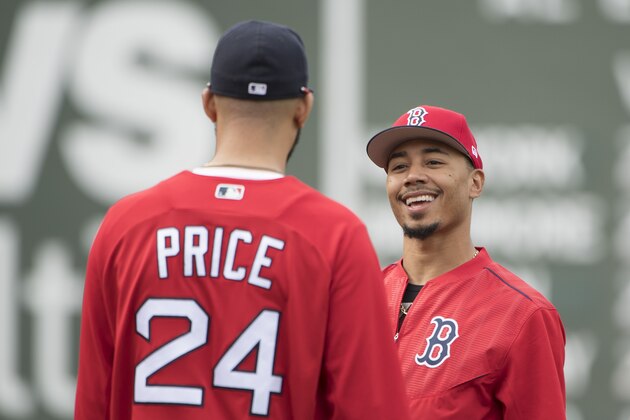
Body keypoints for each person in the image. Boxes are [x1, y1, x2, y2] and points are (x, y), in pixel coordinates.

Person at [75, 20, 409, 420]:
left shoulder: (126, 225)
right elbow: (371, 409)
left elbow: (95, 400)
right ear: (304, 107)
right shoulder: (334, 235)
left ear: (208, 103)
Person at [366, 104, 566, 419]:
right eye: (399, 167)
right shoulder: (357, 299)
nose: (414, 176)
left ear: (475, 183)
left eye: (433, 162)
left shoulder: (522, 314)